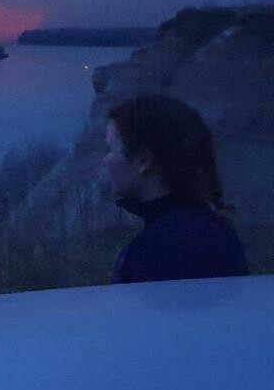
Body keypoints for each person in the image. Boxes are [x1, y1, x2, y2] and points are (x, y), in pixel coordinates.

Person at [103, 94, 248, 283]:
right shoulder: (200, 229)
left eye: (111, 149)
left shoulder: (167, 248)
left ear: (143, 161)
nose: (105, 160)